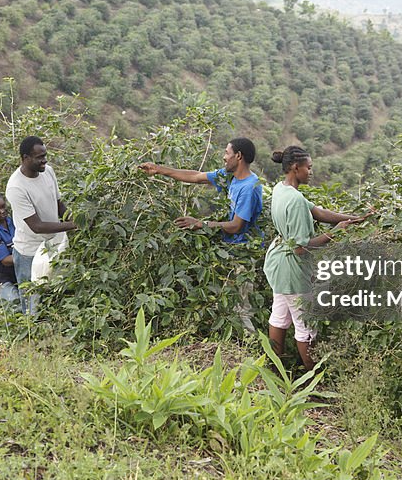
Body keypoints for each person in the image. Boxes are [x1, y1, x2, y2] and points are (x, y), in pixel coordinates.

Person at [263, 145, 369, 371]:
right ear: (295, 167)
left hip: (278, 265)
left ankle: (274, 369)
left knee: (279, 316)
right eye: (308, 168)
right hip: (293, 271)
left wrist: (354, 219)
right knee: (305, 327)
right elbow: (301, 248)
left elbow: (318, 212)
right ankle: (313, 381)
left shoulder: (281, 190)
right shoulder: (296, 201)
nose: (311, 172)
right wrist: (335, 232)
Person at [139, 137, 263, 244]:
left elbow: (236, 226)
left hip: (241, 249)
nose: (224, 157)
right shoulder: (229, 175)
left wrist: (200, 224)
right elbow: (196, 177)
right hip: (228, 243)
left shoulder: (249, 188)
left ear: (238, 156)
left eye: (227, 153)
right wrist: (158, 169)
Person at [5, 136, 77, 315]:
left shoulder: (48, 171)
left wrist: (74, 219)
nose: (44, 160)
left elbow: (58, 203)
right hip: (30, 252)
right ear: (25, 158)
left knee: (56, 298)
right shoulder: (16, 187)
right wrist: (72, 225)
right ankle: (31, 340)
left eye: (45, 155)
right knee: (33, 305)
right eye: (39, 157)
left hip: (54, 246)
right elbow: (36, 226)